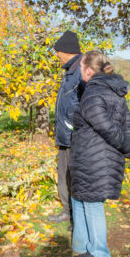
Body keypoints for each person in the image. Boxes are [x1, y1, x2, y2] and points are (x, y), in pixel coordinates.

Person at [70, 50, 130, 257]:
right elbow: (128, 125)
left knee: (92, 203)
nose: (80, 71)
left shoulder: (93, 93)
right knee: (81, 198)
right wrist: (126, 143)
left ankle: (99, 254)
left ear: (89, 70)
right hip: (97, 156)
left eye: (81, 68)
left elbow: (105, 126)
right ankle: (82, 246)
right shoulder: (112, 91)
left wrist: (126, 145)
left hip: (94, 158)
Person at [48, 30, 84, 226]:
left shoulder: (81, 70)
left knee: (75, 176)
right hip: (64, 135)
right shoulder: (69, 70)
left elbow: (85, 103)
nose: (56, 55)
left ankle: (77, 216)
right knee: (63, 174)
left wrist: (73, 126)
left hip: (75, 135)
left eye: (57, 51)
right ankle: (67, 211)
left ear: (67, 51)